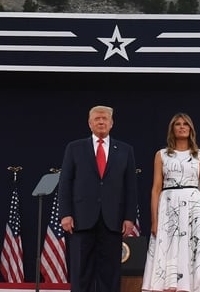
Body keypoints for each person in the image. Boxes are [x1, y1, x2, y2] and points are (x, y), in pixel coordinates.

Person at [58, 105, 138, 292]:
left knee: (109, 274)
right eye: (97, 119)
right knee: (81, 272)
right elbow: (65, 183)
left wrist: (129, 217)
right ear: (89, 123)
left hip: (113, 220)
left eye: (105, 118)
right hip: (81, 219)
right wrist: (65, 214)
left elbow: (131, 188)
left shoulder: (125, 150)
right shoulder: (75, 148)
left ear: (111, 123)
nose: (101, 121)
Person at [142, 112, 200, 292]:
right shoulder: (161, 155)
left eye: (185, 124)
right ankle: (169, 285)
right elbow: (155, 189)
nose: (182, 127)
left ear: (191, 129)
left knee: (194, 248)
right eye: (178, 124)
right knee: (170, 247)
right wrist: (154, 221)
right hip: (168, 206)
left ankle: (194, 287)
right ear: (172, 129)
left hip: (194, 206)